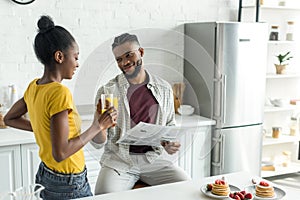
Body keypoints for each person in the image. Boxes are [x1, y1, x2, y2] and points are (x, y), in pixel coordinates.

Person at [4, 15, 117, 200]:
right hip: (69, 182)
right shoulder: (59, 93)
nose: (77, 63)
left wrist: (44, 128)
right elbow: (61, 153)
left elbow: (10, 118)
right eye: (75, 57)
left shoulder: (34, 86)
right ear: (59, 56)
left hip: (47, 174)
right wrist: (98, 126)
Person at [92, 33, 190, 195]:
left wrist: (169, 143)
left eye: (129, 55)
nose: (124, 62)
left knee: (186, 186)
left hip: (153, 160)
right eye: (118, 59)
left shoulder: (164, 88)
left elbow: (170, 125)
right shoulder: (107, 91)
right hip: (119, 161)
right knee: (103, 196)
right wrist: (100, 126)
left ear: (141, 52)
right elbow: (98, 142)